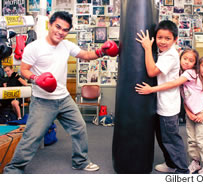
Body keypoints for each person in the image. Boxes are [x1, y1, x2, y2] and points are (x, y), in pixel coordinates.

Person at [4, 11, 118, 174]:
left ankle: (80, 161)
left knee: (79, 127)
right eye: (58, 26)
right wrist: (37, 79)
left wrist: (102, 51)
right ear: (50, 25)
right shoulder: (34, 47)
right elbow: (23, 70)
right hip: (43, 100)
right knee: (32, 137)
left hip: (63, 98)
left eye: (65, 30)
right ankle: (14, 169)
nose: (60, 32)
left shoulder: (66, 45)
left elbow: (85, 55)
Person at [135, 48, 203, 174]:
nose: (187, 62)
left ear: (195, 64)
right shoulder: (182, 72)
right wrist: (188, 112)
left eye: (191, 60)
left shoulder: (190, 73)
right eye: (185, 59)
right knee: (192, 140)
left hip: (201, 111)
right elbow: (185, 98)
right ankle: (195, 163)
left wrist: (151, 89)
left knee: (201, 140)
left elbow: (173, 84)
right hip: (192, 112)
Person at [135, 20, 189, 174]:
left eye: (167, 39)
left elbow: (152, 71)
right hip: (160, 104)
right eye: (160, 37)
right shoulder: (162, 52)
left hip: (168, 106)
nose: (163, 42)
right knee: (162, 138)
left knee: (171, 140)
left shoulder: (171, 55)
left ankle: (182, 170)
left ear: (175, 40)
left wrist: (146, 47)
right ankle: (171, 164)